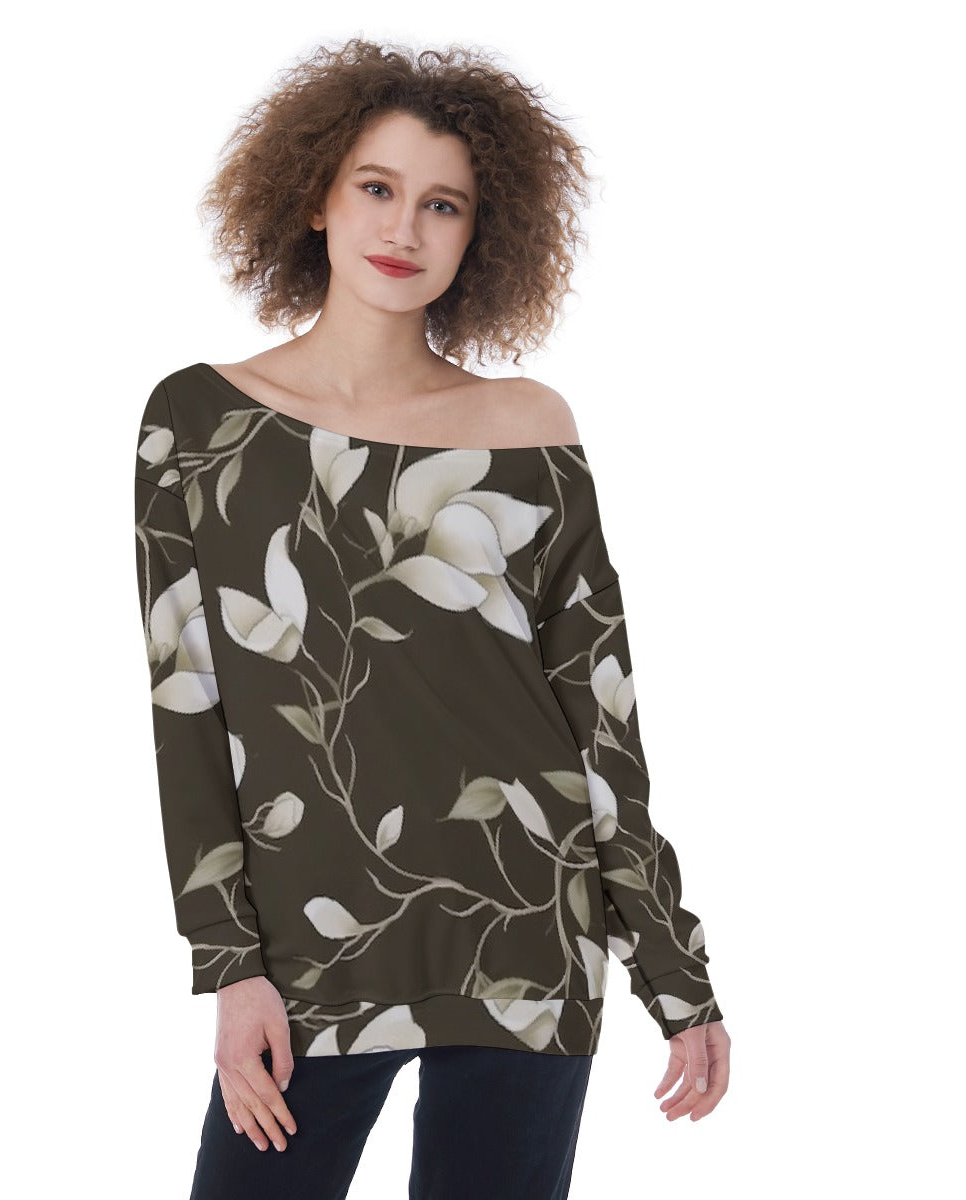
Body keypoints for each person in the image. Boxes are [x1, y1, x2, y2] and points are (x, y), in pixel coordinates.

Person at [133, 37, 731, 1200]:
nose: (404, 228)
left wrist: (676, 973)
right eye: (377, 187)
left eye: (442, 204)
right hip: (310, 954)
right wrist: (229, 966)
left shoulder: (530, 426)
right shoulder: (200, 423)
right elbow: (187, 707)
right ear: (316, 195)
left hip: (529, 935)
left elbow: (600, 719)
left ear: (479, 234)